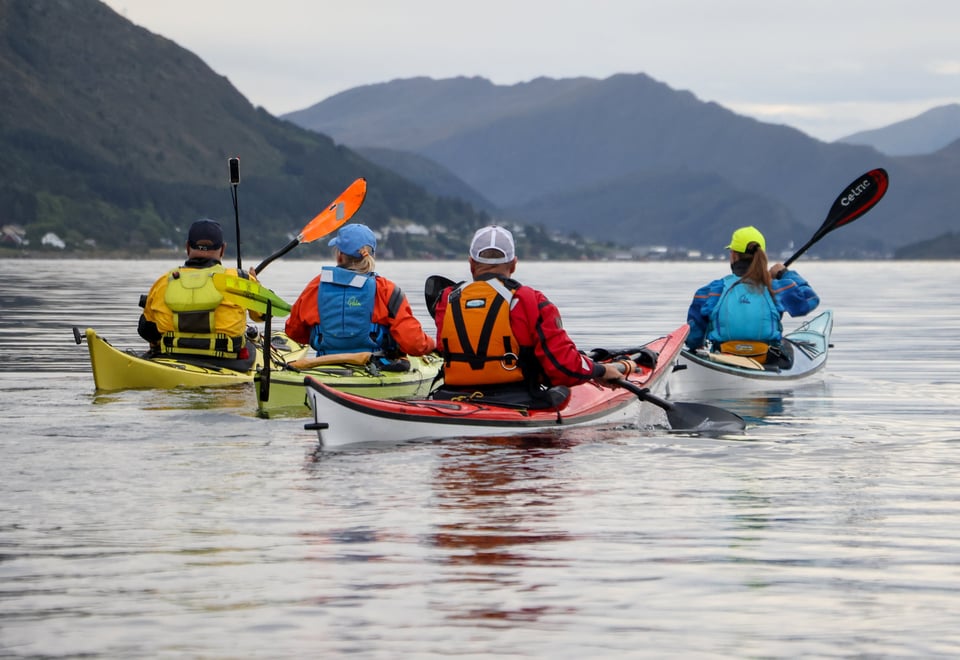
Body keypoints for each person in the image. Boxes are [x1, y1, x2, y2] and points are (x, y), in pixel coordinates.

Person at [431, 225, 628, 409]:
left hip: (451, 398)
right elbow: (564, 368)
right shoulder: (531, 300)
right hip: (516, 401)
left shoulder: (446, 300)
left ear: (471, 263)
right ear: (514, 264)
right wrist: (601, 371)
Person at [285, 223, 436, 363]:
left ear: (339, 255)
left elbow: (294, 332)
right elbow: (413, 344)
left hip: (324, 364)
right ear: (371, 255)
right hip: (376, 366)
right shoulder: (386, 290)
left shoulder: (315, 287)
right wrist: (432, 346)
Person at [138, 218, 262, 370]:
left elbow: (146, 329)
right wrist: (255, 283)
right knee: (251, 345)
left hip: (172, 358)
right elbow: (262, 315)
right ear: (222, 249)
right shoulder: (240, 279)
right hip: (228, 363)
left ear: (187, 247)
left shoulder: (164, 281)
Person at [685, 225, 820, 362]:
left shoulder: (712, 290)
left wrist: (696, 346)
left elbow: (693, 338)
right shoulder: (776, 287)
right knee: (787, 346)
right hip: (767, 360)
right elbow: (811, 300)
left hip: (722, 357)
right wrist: (785, 274)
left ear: (733, 255)